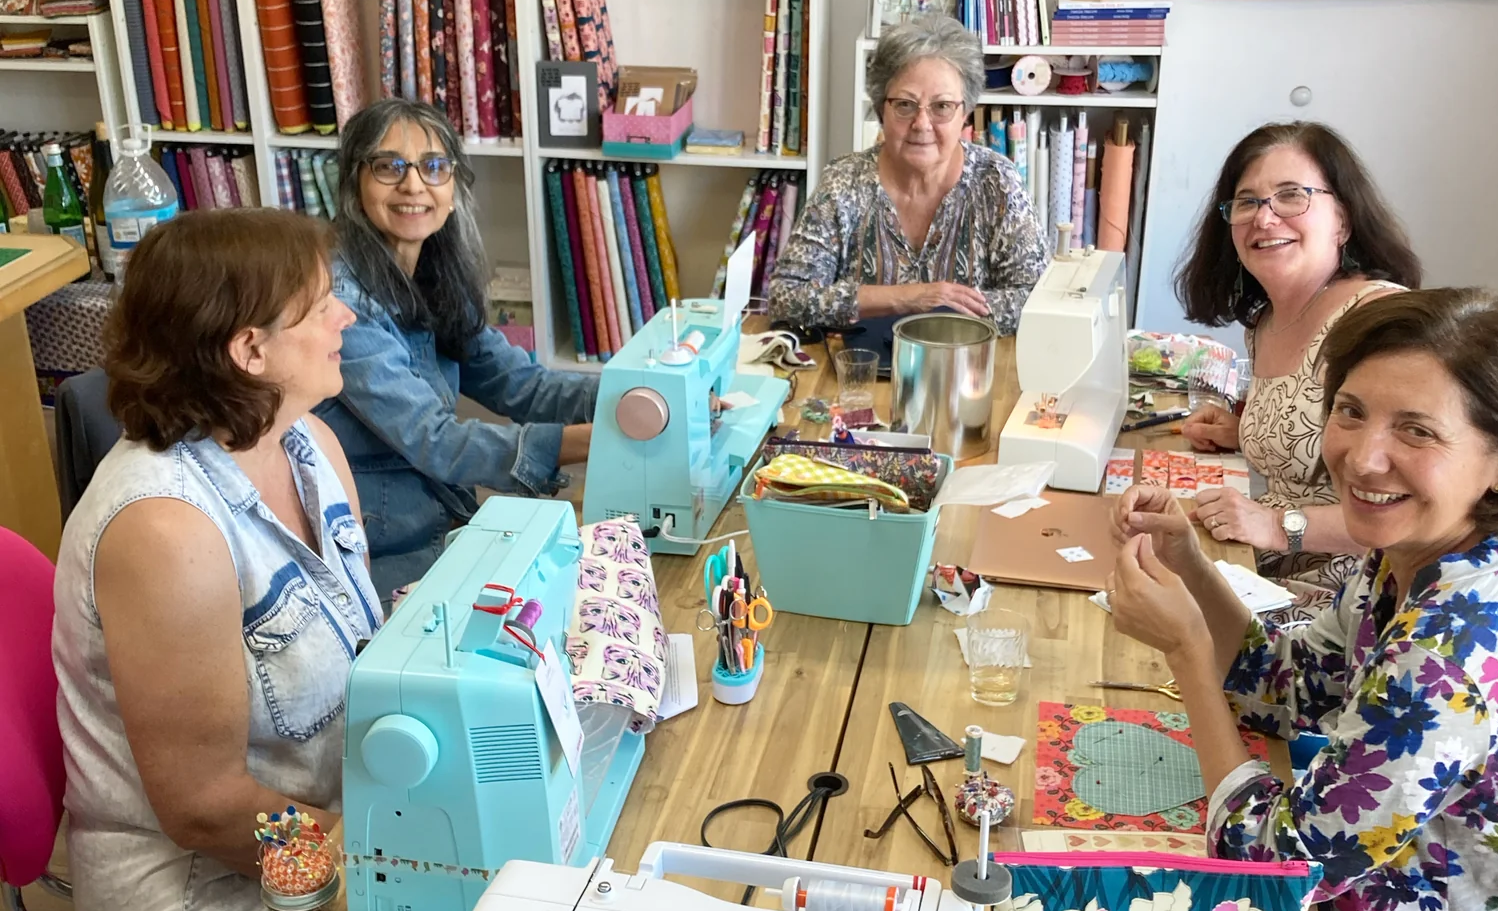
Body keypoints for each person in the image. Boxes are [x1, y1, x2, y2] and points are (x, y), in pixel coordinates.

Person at [1106, 288, 1498, 909]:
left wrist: (1187, 650)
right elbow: (1291, 688)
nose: (1364, 459)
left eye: (1417, 432)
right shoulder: (1411, 560)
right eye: (1350, 411)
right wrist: (1189, 561)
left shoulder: (1448, 654)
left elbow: (1271, 866)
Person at [52, 209, 379, 910]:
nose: (345, 317)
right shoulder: (164, 529)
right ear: (249, 351)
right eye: (321, 307)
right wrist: (380, 864)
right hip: (207, 882)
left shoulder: (309, 442)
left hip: (341, 818)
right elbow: (205, 806)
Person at [314, 98, 598, 603]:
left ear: (453, 185)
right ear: (354, 181)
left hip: (447, 529)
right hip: (387, 560)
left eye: (434, 166)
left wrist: (637, 397)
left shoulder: (433, 274)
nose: (413, 185)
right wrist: (599, 439)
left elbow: (521, 383)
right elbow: (436, 441)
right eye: (389, 166)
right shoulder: (341, 301)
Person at [1173, 121, 1422, 622]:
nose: (1264, 219)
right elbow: (1313, 438)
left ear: (1343, 221)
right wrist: (1244, 432)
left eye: (1292, 196)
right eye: (1247, 202)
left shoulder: (1379, 324)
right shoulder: (1264, 321)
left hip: (1352, 600)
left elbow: (1419, 511)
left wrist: (1277, 526)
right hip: (1265, 570)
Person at [768, 13, 1046, 340]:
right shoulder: (843, 182)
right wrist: (908, 298)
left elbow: (1037, 302)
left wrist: (939, 310)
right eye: (905, 105)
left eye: (942, 106)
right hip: (860, 374)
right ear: (881, 109)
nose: (922, 124)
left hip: (964, 372)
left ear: (965, 112)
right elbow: (786, 296)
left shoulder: (998, 183)